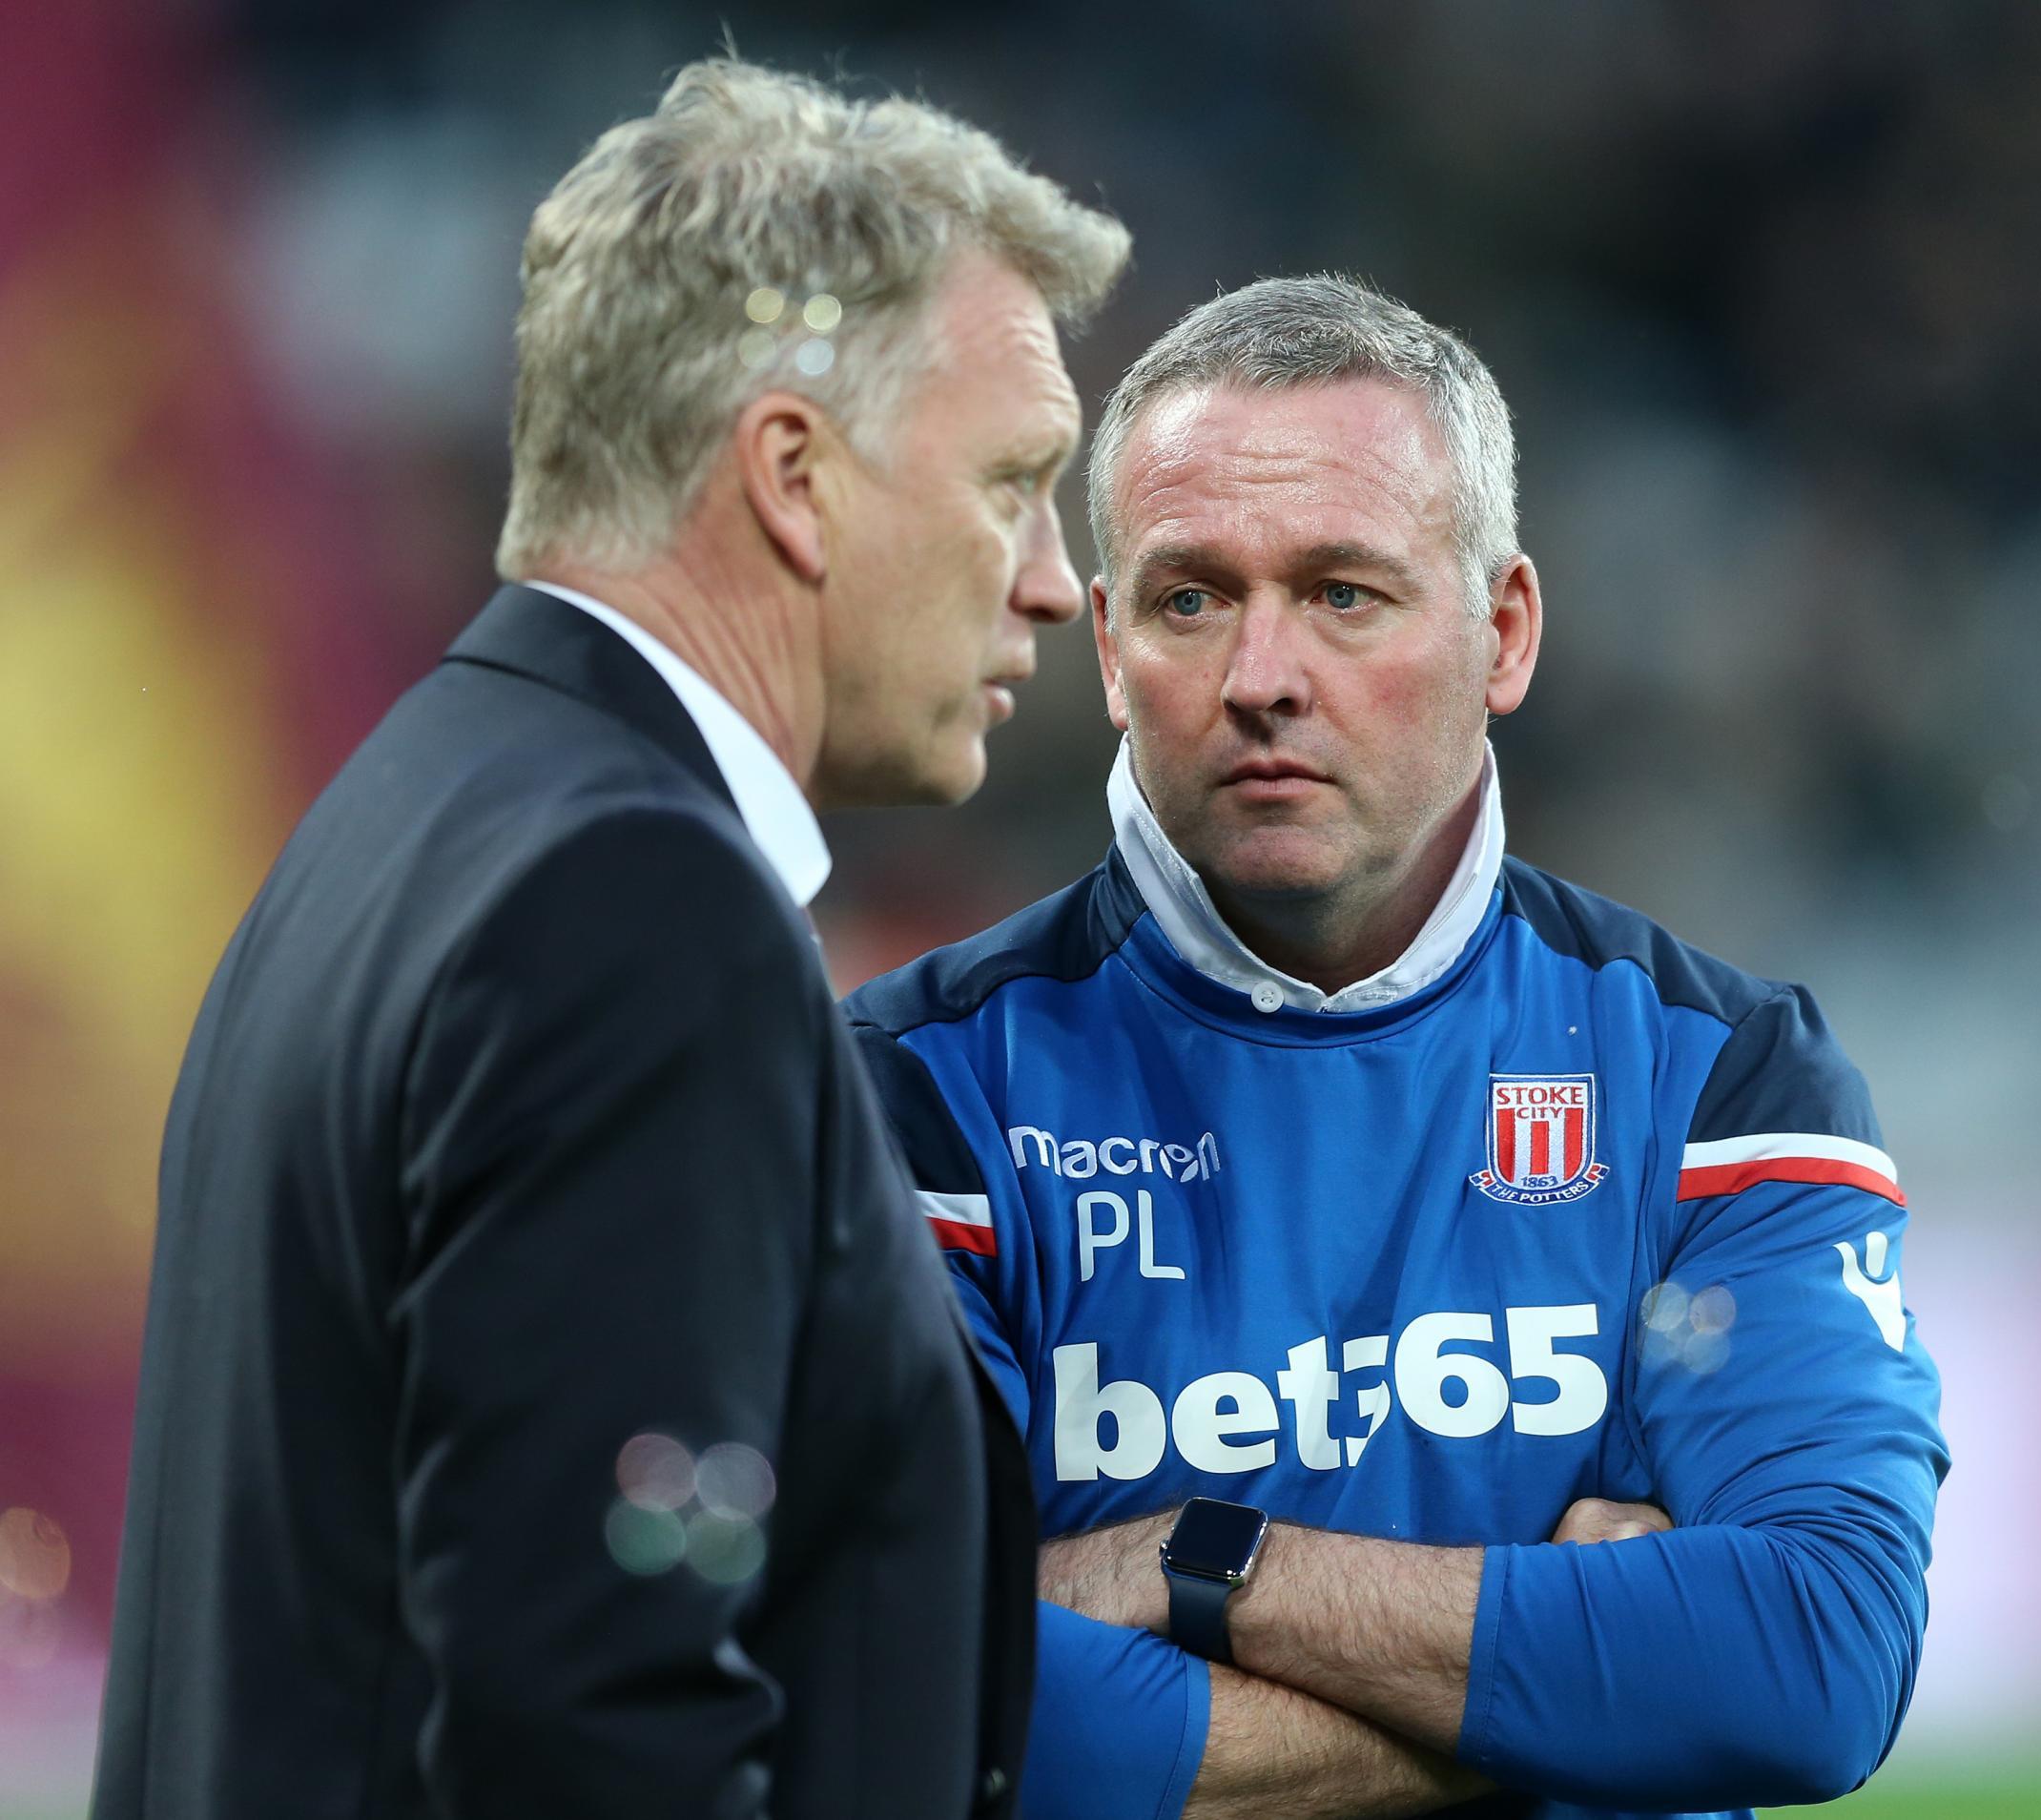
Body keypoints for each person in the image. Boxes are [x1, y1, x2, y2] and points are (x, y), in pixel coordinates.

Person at [93, 60, 1126, 1820]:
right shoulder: (634, 910)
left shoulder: (410, 816)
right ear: (793, 477)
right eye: (1015, 481)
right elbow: (594, 1715)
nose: (1053, 577)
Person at [845, 276, 1948, 1820]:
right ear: (1105, 649)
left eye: (1344, 592)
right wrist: (1569, 1699)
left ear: (1503, 633)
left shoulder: (1722, 1078)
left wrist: (1195, 1562)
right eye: (1189, 599)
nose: (1259, 677)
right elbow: (900, 1704)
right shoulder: (902, 1102)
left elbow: (1811, 1663)